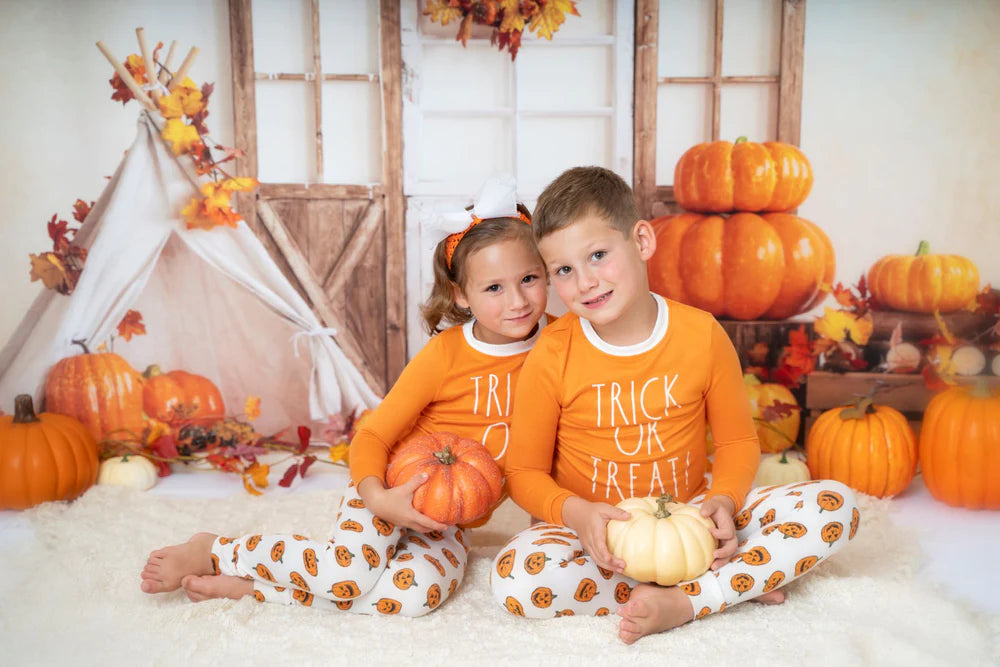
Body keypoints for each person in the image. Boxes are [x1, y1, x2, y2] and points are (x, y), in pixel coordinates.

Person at [140, 175, 550, 616]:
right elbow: (373, 435)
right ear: (461, 294)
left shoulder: (559, 347)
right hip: (387, 485)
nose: (517, 301)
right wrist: (377, 497)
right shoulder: (447, 354)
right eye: (494, 287)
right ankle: (221, 550)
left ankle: (257, 590)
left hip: (445, 519)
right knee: (346, 574)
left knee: (411, 599)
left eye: (529, 278)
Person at [490, 166, 859, 642]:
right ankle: (724, 588)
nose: (585, 283)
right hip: (595, 541)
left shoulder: (701, 335)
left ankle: (686, 598)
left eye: (598, 255)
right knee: (517, 577)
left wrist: (723, 501)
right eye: (563, 270)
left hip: (691, 521)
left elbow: (737, 441)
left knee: (836, 505)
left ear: (641, 240)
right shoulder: (553, 353)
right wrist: (576, 514)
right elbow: (523, 473)